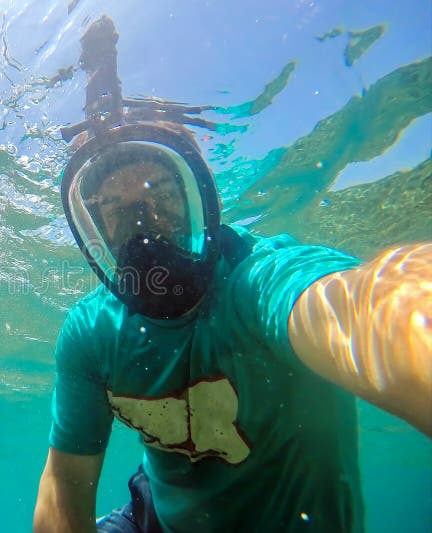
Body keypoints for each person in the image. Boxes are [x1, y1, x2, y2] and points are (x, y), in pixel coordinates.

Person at [33, 15, 430, 533]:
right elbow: (64, 488)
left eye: (162, 198)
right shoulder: (92, 332)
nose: (143, 232)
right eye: (114, 212)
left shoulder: (257, 282)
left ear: (203, 203)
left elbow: (364, 305)